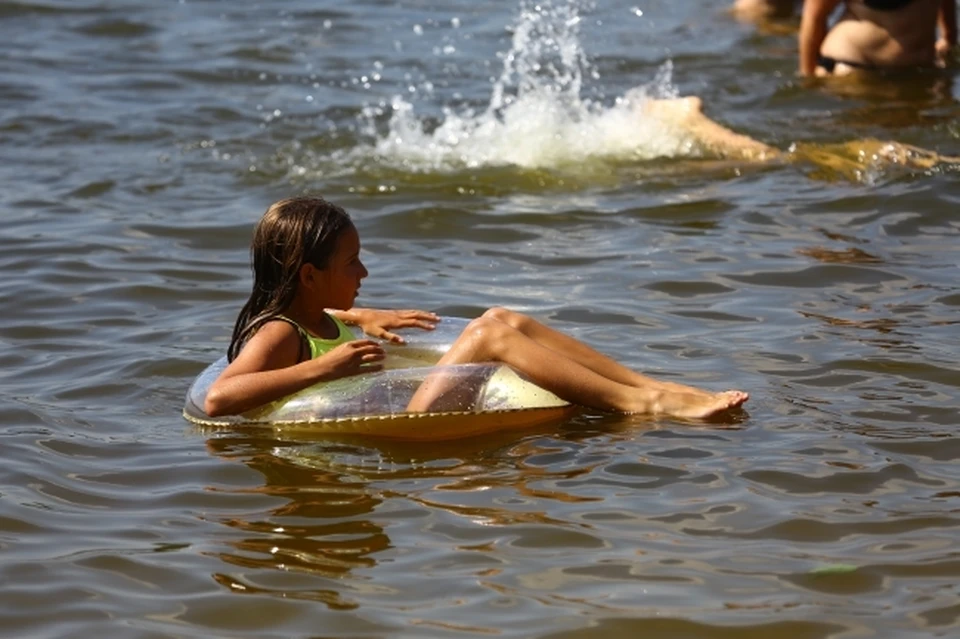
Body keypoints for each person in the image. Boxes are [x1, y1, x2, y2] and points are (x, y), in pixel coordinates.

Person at [203, 197, 749, 420]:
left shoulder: (309, 316)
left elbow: (314, 321)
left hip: (393, 404)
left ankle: (651, 385)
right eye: (353, 264)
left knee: (504, 316)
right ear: (309, 276)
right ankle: (644, 405)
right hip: (408, 425)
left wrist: (358, 316)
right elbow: (220, 396)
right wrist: (321, 367)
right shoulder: (278, 335)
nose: (364, 274)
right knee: (489, 334)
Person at [799, 0, 957, 76]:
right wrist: (808, 76)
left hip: (917, 75)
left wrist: (949, 39)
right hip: (854, 73)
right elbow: (814, 16)